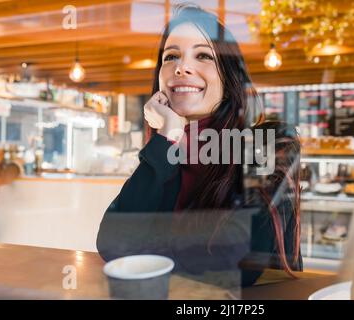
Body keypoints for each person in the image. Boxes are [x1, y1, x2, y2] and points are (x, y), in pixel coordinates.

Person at [96, 4, 302, 287]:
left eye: (203, 55)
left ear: (229, 79)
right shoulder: (167, 151)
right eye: (171, 57)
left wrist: (146, 252)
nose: (181, 67)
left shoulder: (267, 142)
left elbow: (235, 265)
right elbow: (112, 244)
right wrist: (167, 137)